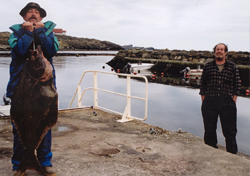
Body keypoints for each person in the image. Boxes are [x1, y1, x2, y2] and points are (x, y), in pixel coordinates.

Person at [7, 2, 59, 176]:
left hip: (44, 91)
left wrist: (40, 32)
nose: (33, 14)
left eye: (36, 12)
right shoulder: (15, 34)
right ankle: (18, 164)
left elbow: (51, 50)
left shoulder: (49, 33)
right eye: (29, 11)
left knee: (44, 126)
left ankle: (44, 162)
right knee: (20, 127)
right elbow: (20, 51)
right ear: (23, 17)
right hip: (20, 90)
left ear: (41, 17)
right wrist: (29, 33)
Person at [199, 43, 241, 154]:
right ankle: (210, 152)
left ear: (226, 52)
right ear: (214, 51)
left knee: (230, 131)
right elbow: (203, 84)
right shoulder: (208, 66)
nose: (219, 51)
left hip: (227, 103)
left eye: (222, 49)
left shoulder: (232, 67)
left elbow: (237, 84)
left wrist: (234, 99)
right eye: (217, 49)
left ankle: (232, 155)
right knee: (209, 130)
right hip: (210, 103)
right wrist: (204, 98)